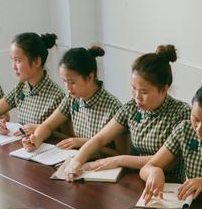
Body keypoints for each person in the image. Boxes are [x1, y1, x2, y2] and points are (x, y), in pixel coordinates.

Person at [59, 44, 189, 181]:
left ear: (164, 89)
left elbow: (167, 163)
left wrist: (119, 160)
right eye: (133, 88)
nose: (137, 97)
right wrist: (77, 162)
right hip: (138, 179)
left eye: (144, 92)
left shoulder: (181, 114)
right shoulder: (132, 107)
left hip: (169, 185)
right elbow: (100, 138)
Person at [19, 45, 123, 153]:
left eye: (72, 82)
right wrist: (35, 140)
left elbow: (121, 154)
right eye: (64, 81)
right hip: (76, 158)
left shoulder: (114, 108)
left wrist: (85, 143)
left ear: (90, 77)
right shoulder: (71, 98)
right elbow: (48, 125)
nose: (68, 88)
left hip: (101, 162)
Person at [0, 32, 65, 132]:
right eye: (12, 60)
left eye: (18, 60)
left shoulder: (58, 97)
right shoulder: (21, 88)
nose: (13, 66)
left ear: (37, 62)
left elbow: (67, 137)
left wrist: (40, 129)